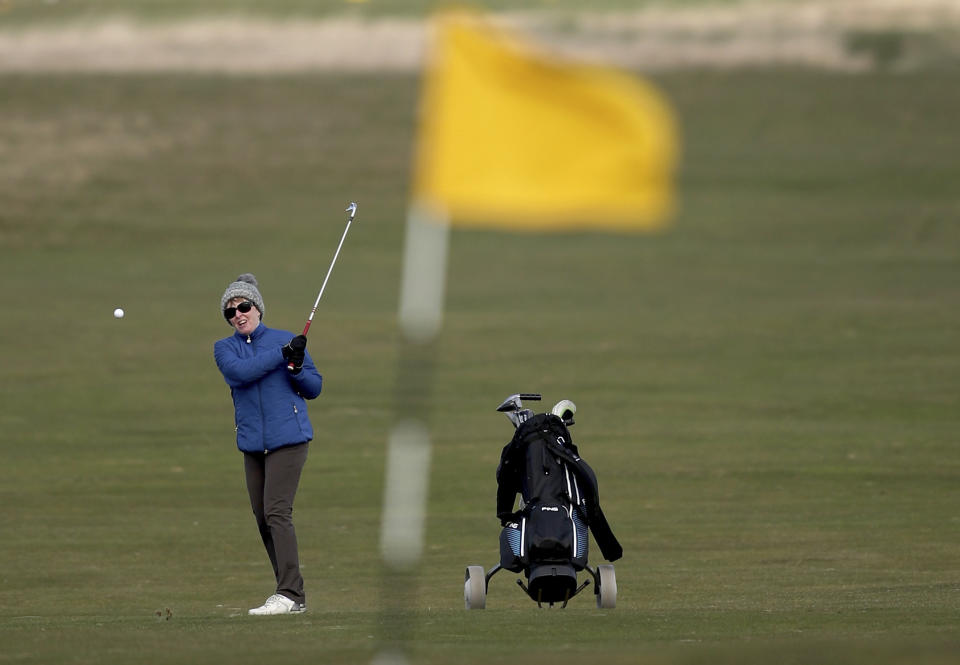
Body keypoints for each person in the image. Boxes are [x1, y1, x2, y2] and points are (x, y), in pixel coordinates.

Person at [213, 273, 323, 616]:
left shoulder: (285, 340)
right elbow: (241, 374)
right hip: (252, 445)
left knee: (277, 512)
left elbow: (313, 387)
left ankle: (288, 592)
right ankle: (292, 597)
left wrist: (296, 366)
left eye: (244, 306)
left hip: (288, 440)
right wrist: (282, 355)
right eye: (231, 312)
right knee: (263, 518)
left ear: (257, 308)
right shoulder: (225, 348)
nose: (238, 315)